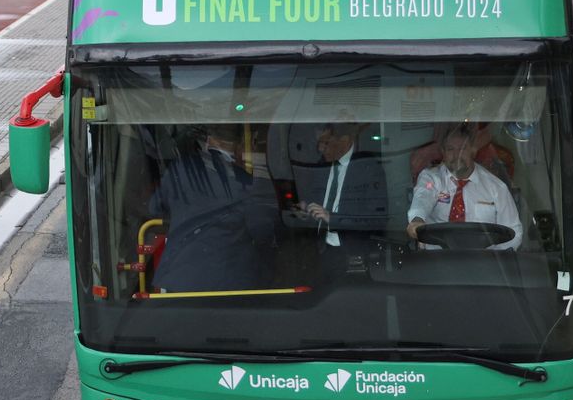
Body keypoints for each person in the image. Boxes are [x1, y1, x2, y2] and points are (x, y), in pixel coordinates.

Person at [147, 125, 276, 293]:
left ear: (208, 140)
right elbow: (261, 230)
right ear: (242, 144)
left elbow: (154, 207)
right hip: (229, 282)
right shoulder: (246, 181)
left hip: (178, 277)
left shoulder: (180, 168)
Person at [406, 125, 523, 250]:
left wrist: (492, 260)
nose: (457, 155)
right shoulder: (431, 178)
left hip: (483, 262)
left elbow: (514, 231)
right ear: (443, 152)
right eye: (450, 149)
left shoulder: (496, 187)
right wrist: (417, 220)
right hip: (437, 261)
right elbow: (423, 198)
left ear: (473, 151)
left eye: (462, 148)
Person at [297, 118, 392, 263]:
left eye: (326, 142)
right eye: (319, 143)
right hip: (320, 252)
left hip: (353, 256)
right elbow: (313, 201)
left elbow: (377, 219)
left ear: (345, 140)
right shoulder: (321, 166)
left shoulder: (369, 169)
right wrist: (305, 209)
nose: (320, 148)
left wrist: (333, 219)